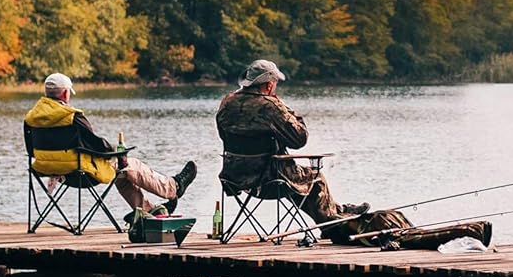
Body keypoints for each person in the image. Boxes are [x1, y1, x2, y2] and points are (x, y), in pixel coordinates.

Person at [24, 72, 197, 217]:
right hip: (81, 173)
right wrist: (115, 151)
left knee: (122, 172)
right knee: (129, 165)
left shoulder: (31, 118)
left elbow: (31, 151)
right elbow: (97, 145)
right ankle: (174, 187)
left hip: (49, 171)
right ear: (64, 94)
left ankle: (150, 211)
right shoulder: (72, 117)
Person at [216, 59, 368, 223]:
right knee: (315, 177)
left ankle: (338, 212)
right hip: (267, 178)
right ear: (269, 85)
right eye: (275, 82)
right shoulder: (270, 106)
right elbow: (300, 139)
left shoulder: (227, 102)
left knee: (297, 181)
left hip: (235, 176)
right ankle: (333, 224)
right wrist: (283, 107)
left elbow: (223, 135)